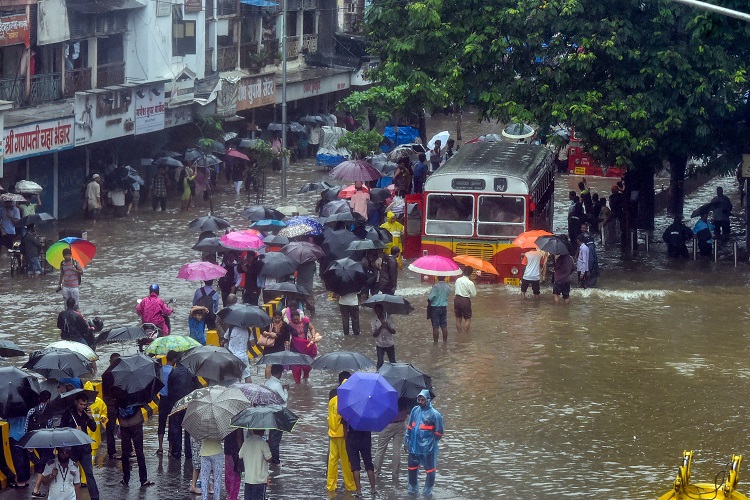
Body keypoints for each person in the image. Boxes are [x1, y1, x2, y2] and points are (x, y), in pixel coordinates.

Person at [404, 389, 444, 496]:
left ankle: (427, 494)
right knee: (411, 470)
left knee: (430, 472)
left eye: (422, 400)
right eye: (419, 399)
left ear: (428, 400)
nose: (420, 402)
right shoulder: (415, 410)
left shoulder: (435, 415)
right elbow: (409, 427)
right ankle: (412, 492)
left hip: (428, 449)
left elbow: (439, 432)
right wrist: (406, 441)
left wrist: (430, 442)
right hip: (413, 447)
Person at [60, 394, 99, 500]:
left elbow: (94, 428)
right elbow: (61, 430)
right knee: (68, 475)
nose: (83, 406)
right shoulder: (68, 414)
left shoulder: (86, 413)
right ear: (76, 402)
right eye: (81, 404)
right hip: (71, 449)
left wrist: (90, 417)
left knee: (89, 474)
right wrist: (72, 429)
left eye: (85, 404)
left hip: (84, 448)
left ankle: (95, 497)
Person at [167, 352, 200, 460]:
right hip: (189, 406)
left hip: (176, 406)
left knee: (176, 430)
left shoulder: (173, 373)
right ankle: (189, 455)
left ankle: (176, 454)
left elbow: (170, 391)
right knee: (188, 431)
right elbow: (198, 388)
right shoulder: (191, 373)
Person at [327, 371, 356, 493]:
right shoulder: (345, 399)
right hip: (342, 435)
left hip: (332, 433)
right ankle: (350, 486)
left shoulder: (332, 398)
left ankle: (331, 485)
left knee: (332, 461)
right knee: (346, 462)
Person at [118, 399, 154, 488]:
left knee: (125, 453)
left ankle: (125, 479)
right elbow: (143, 403)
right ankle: (143, 479)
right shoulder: (136, 389)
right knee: (139, 451)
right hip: (136, 422)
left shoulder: (118, 390)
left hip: (123, 424)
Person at [373, 397, 410, 481]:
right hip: (401, 423)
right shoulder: (405, 393)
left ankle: (375, 473)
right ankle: (395, 475)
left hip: (387, 424)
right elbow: (408, 411)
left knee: (380, 449)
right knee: (397, 450)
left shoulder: (386, 394)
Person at [26, 390, 53, 497]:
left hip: (34, 440)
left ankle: (44, 486)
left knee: (44, 464)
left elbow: (26, 427)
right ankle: (36, 489)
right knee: (45, 464)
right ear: (48, 399)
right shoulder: (49, 411)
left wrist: (29, 443)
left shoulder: (31, 411)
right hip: (45, 441)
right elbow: (50, 427)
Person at [264, 365, 288, 465]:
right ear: (279, 373)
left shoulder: (267, 382)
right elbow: (284, 400)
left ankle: (269, 458)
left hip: (268, 412)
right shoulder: (277, 385)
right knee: (275, 439)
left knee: (271, 437)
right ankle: (275, 462)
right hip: (278, 413)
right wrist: (286, 390)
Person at [239, 429, 272, 500]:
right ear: (263, 431)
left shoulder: (246, 442)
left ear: (252, 431)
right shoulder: (263, 443)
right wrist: (269, 447)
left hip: (248, 479)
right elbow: (269, 459)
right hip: (259, 480)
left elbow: (240, 455)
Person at [288, 311, 320, 383]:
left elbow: (312, 328)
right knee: (296, 366)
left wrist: (313, 336)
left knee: (307, 365)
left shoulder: (305, 321)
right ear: (291, 319)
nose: (296, 321)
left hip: (306, 346)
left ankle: (305, 377)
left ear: (300, 317)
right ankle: (297, 383)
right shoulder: (289, 325)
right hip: (295, 347)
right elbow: (286, 336)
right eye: (294, 320)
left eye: (297, 319)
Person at [101, 353, 121, 460]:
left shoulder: (106, 374)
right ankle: (112, 451)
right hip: (112, 405)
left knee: (113, 429)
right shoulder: (111, 375)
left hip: (113, 405)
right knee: (112, 429)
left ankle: (113, 452)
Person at [156, 351, 175, 456]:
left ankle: (160, 447)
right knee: (171, 424)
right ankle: (170, 448)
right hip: (171, 400)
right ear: (174, 359)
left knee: (161, 423)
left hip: (162, 399)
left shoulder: (160, 369)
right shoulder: (174, 371)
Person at [371, 304, 396, 369]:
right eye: (376, 310)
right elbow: (374, 335)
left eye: (379, 310)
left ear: (382, 310)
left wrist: (387, 327)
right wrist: (381, 327)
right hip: (380, 344)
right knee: (380, 362)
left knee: (392, 362)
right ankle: (378, 374)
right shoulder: (374, 320)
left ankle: (395, 373)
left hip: (389, 344)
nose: (377, 312)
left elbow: (393, 332)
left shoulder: (389, 318)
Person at [454, 266, 477, 334]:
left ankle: (459, 333)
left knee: (458, 318)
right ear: (470, 274)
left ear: (463, 272)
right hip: (465, 300)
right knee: (468, 318)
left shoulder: (458, 280)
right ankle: (465, 334)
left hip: (456, 299)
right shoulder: (470, 283)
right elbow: (474, 294)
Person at [428, 277, 450, 342]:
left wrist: (432, 289)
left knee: (435, 326)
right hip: (444, 307)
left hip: (435, 308)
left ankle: (435, 343)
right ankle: (445, 342)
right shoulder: (447, 287)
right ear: (445, 278)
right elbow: (447, 295)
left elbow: (430, 298)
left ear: (437, 277)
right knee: (444, 325)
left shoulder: (435, 287)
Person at [224, 429, 243, 500]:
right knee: (236, 474)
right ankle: (233, 495)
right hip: (235, 451)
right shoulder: (237, 423)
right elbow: (239, 437)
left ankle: (229, 494)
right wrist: (241, 449)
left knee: (228, 473)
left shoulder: (225, 423)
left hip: (227, 449)